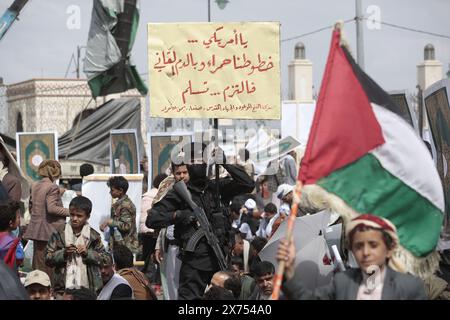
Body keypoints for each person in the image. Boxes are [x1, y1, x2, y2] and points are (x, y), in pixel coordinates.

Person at [147, 142, 255, 299]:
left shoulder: (217, 187)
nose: (196, 164)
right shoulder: (179, 192)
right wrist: (178, 215)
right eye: (192, 161)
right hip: (194, 265)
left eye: (199, 160)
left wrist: (225, 163)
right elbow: (152, 219)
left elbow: (248, 183)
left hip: (220, 260)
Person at [277, 214, 427, 300]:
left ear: (388, 250)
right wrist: (289, 270)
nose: (366, 252)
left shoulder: (410, 287)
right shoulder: (343, 282)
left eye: (373, 245)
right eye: (359, 246)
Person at [45, 196, 107, 296]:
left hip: (88, 289)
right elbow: (47, 259)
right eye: (72, 215)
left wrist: (88, 253)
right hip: (62, 289)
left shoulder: (93, 236)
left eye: (79, 216)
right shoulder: (59, 233)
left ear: (87, 216)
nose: (74, 219)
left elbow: (106, 259)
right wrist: (63, 253)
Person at [23, 160, 69, 282]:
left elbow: (31, 207)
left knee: (38, 263)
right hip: (49, 231)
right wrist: (72, 212)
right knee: (49, 265)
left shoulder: (34, 185)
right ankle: (48, 290)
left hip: (36, 230)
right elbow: (52, 208)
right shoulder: (53, 187)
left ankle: (36, 287)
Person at [153, 161, 189, 300]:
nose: (181, 176)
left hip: (191, 248)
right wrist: (158, 246)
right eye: (178, 173)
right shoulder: (169, 190)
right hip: (171, 245)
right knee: (171, 283)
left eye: (185, 173)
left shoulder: (197, 192)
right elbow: (163, 222)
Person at [100, 176, 139, 255]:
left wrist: (110, 222)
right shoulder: (120, 204)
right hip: (120, 246)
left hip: (126, 247)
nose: (110, 192)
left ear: (120, 190)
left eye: (112, 190)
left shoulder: (125, 205)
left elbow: (126, 226)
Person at [139, 173, 167, 276]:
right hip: (154, 231)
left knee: (145, 258)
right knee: (158, 257)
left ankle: (142, 277)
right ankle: (156, 280)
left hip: (145, 232)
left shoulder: (146, 195)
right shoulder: (159, 195)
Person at [0, 200, 24, 271]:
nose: (19, 220)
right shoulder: (14, 241)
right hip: (8, 276)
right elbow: (20, 258)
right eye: (18, 218)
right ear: (11, 223)